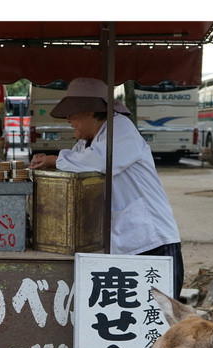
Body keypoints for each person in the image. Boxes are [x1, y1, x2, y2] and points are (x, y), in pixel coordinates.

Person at [28, 77, 184, 299]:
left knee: (161, 318)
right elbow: (77, 167)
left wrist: (55, 159)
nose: (69, 120)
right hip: (123, 242)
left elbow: (100, 161)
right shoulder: (85, 143)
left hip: (153, 240)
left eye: (72, 113)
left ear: (90, 111)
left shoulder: (120, 128)